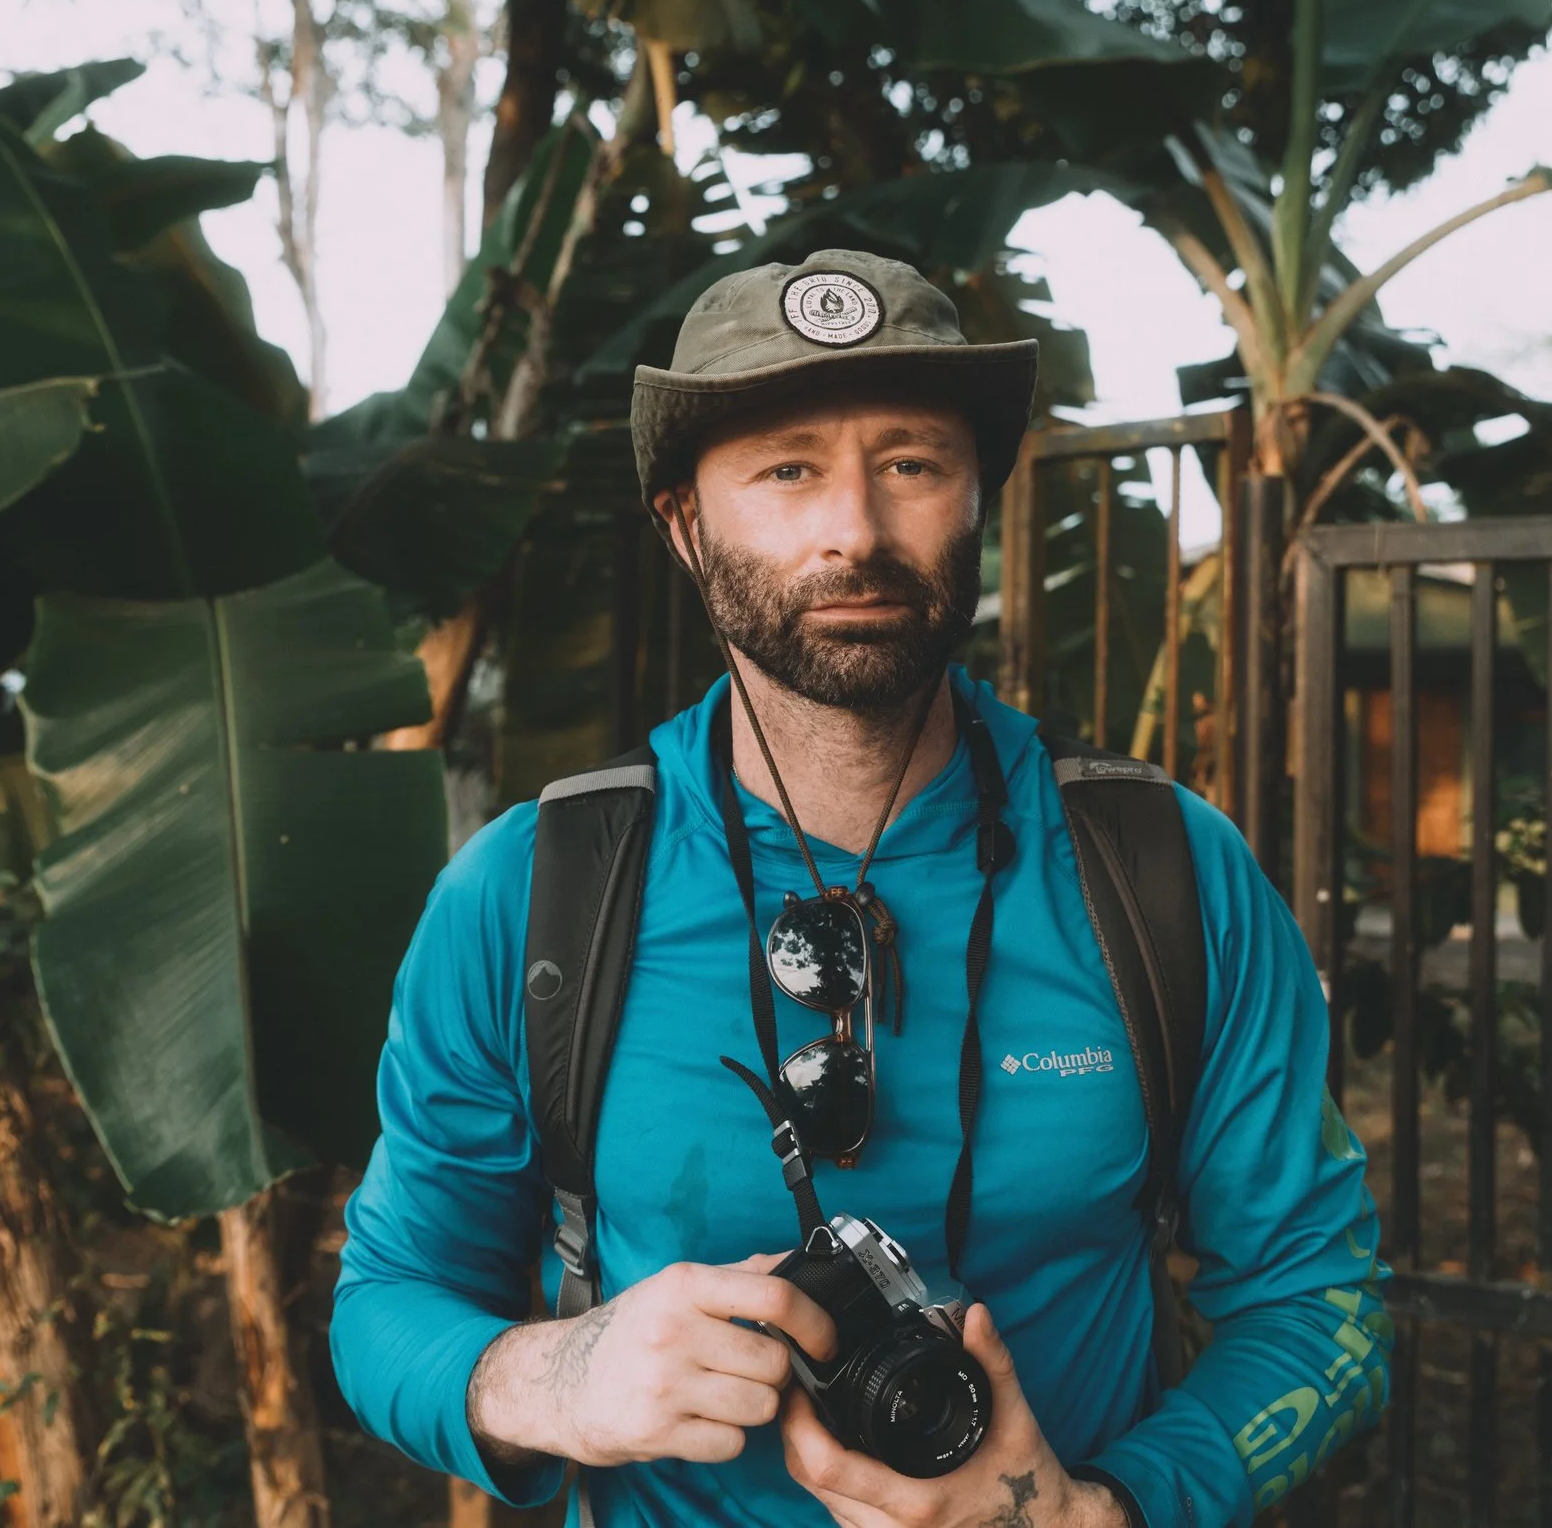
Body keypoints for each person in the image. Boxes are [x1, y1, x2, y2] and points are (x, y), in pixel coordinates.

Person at [332, 250, 1391, 1527]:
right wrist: (554, 1375)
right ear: (682, 523)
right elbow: (387, 1294)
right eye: (786, 468)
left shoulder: (1163, 871)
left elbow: (1322, 1302)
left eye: (911, 463)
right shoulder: (532, 892)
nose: (855, 528)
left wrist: (1107, 1510)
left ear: (977, 500)